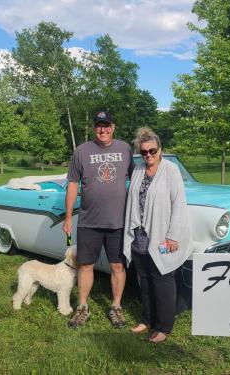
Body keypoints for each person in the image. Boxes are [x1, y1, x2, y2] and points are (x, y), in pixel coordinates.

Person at [63, 110, 134, 329]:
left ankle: (116, 307)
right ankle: (82, 308)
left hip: (118, 222)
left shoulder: (125, 149)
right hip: (88, 221)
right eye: (98, 126)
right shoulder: (82, 151)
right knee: (85, 266)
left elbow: (136, 178)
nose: (102, 129)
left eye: (106, 125)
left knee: (118, 266)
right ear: (94, 128)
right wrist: (67, 218)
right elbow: (73, 184)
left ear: (113, 127)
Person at [123, 127, 191, 343]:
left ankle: (163, 326)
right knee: (144, 279)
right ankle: (147, 319)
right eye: (143, 152)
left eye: (152, 151)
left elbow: (178, 204)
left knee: (162, 278)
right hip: (140, 234)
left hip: (162, 235)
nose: (148, 155)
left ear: (160, 150)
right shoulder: (139, 170)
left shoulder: (170, 170)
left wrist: (173, 236)